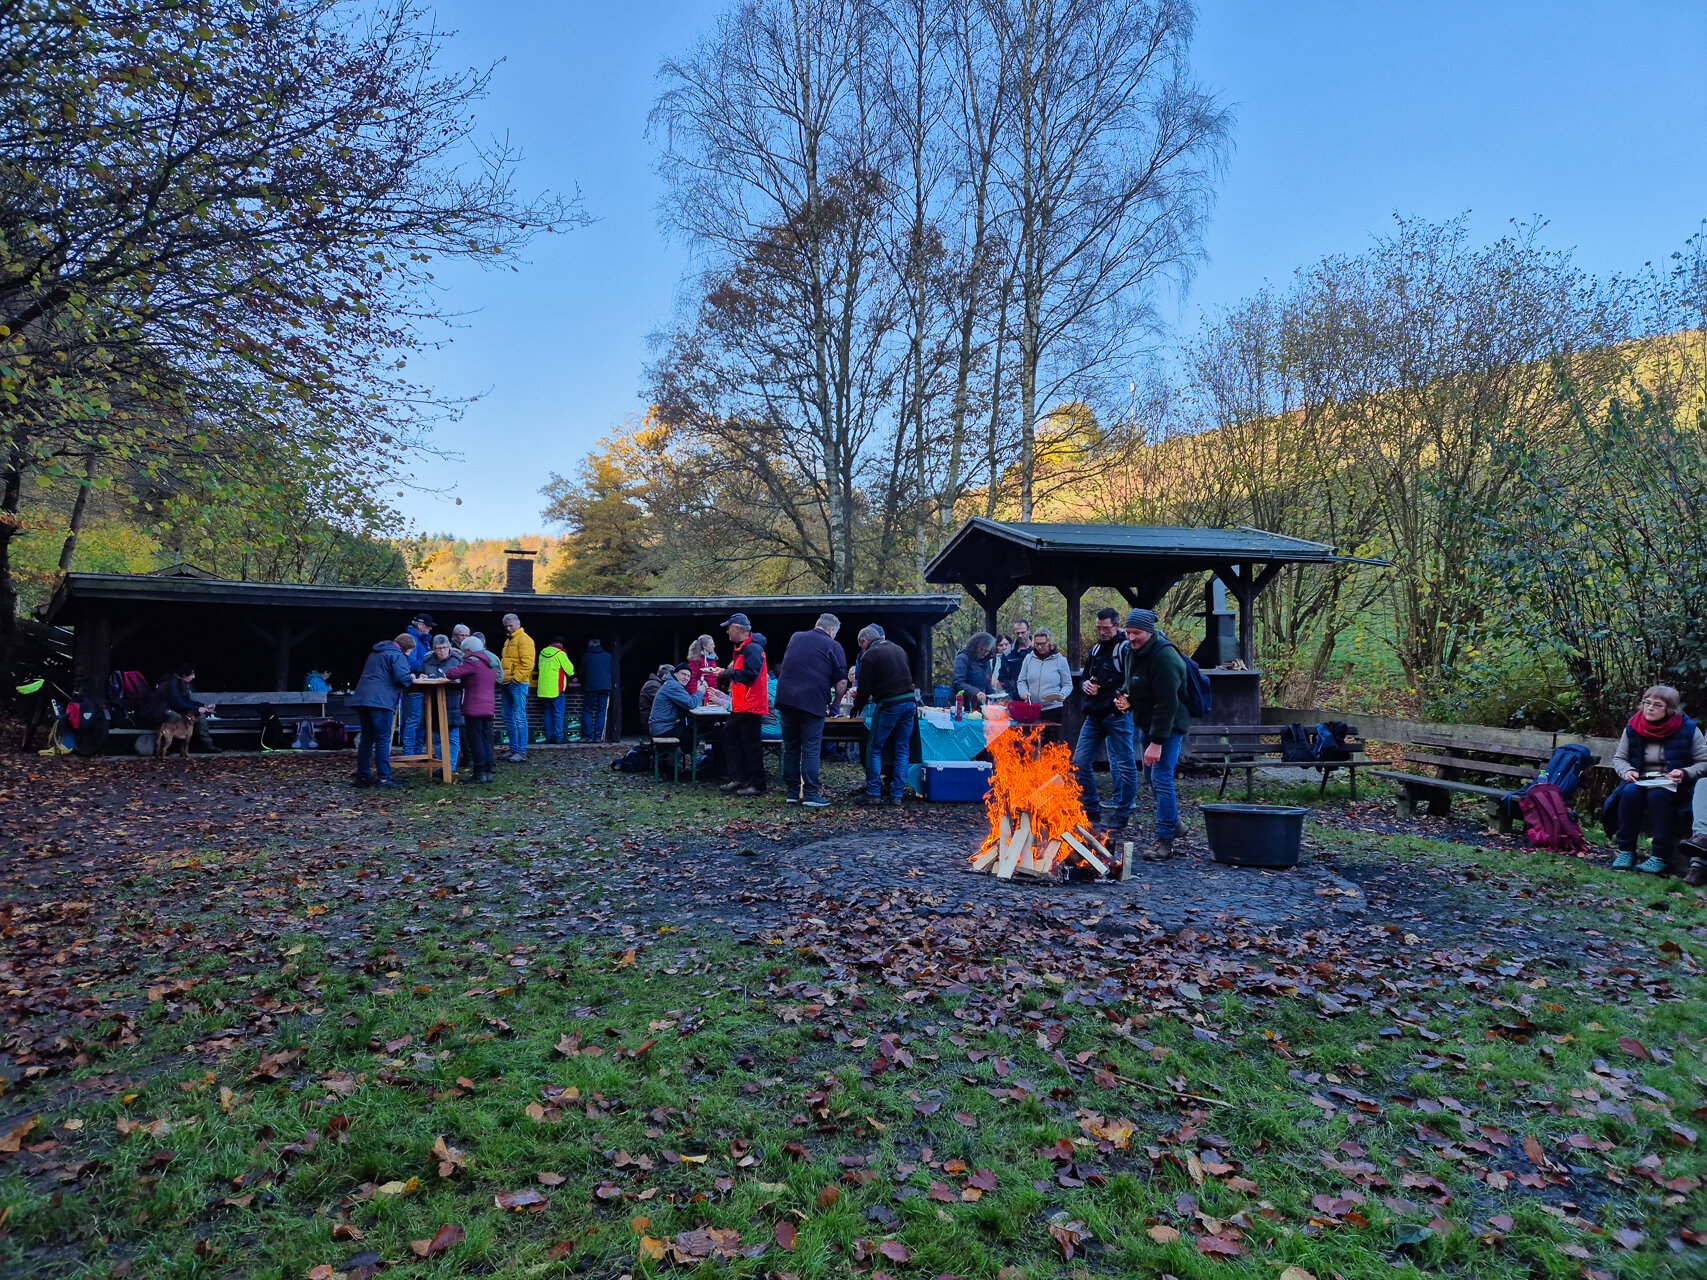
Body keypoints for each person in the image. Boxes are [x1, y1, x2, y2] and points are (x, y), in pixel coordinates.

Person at [1113, 608, 1191, 860]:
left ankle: (1165, 840)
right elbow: (1131, 683)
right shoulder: (1130, 651)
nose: (1132, 637)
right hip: (1146, 724)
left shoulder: (1166, 658)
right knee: (1150, 776)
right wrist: (1124, 697)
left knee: (1161, 777)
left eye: (1137, 633)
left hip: (1168, 726)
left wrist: (1157, 743)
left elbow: (1167, 704)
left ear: (1150, 632)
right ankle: (1174, 822)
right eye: (1129, 632)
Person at [1610, 686, 1707, 874]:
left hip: (1674, 784)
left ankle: (1660, 855)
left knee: (1658, 796)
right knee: (1629, 793)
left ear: (1670, 709)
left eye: (1657, 705)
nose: (1649, 708)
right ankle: (1626, 851)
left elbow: (1703, 762)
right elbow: (1619, 758)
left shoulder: (1688, 729)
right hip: (1640, 780)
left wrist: (1684, 772)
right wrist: (1627, 771)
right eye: (1647, 703)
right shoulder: (1633, 727)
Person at [1074, 608, 1139, 832]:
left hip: (1116, 715)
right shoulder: (1096, 649)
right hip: (1093, 715)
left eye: (1106, 628)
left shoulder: (1125, 649)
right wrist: (1085, 686)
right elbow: (1084, 677)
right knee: (1079, 762)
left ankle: (1122, 814)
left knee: (1125, 765)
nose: (1102, 631)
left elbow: (1133, 680)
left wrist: (1119, 702)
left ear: (1117, 625)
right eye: (1098, 628)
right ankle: (1091, 811)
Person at [775, 612, 846, 807]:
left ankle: (791, 793)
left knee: (791, 748)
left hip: (786, 699)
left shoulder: (796, 637)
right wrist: (835, 705)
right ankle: (811, 794)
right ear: (832, 630)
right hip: (812, 702)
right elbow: (841, 682)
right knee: (811, 749)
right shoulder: (833, 645)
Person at [852, 624, 916, 807]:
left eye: (861, 645)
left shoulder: (869, 655)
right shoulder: (899, 649)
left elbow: (864, 688)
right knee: (902, 748)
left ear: (865, 641)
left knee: (875, 748)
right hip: (910, 703)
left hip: (890, 705)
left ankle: (873, 792)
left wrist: (857, 706)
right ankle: (897, 794)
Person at [707, 612, 769, 796]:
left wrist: (726, 673)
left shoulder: (753, 649)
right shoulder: (743, 648)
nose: (727, 631)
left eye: (729, 628)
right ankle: (739, 778)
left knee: (751, 744)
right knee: (730, 736)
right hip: (742, 704)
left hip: (752, 704)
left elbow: (751, 674)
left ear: (739, 629)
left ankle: (757, 784)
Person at [350, 636, 414, 788]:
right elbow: (402, 678)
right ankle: (384, 778)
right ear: (407, 648)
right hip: (381, 701)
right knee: (383, 740)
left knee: (367, 739)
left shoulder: (376, 653)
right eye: (411, 651)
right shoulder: (398, 655)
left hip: (363, 699)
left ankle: (363, 776)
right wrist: (411, 677)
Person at [446, 635, 501, 783]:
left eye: (464, 652)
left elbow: (451, 673)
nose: (463, 655)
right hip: (489, 705)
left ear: (469, 651)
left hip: (474, 706)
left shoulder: (472, 662)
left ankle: (479, 773)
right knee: (486, 740)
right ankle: (488, 772)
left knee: (475, 740)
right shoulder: (491, 662)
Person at [140, 662, 218, 752]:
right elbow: (177, 702)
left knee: (200, 716)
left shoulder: (182, 683)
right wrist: (197, 709)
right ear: (184, 674)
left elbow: (186, 700)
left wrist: (203, 706)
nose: (194, 677)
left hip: (172, 708)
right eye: (192, 674)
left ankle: (207, 745)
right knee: (175, 717)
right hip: (158, 710)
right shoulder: (171, 683)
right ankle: (166, 747)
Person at [418, 635, 465, 774]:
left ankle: (450, 766)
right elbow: (419, 673)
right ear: (434, 649)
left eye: (444, 648)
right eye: (439, 648)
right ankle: (440, 764)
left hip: (453, 701)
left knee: (453, 736)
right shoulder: (427, 661)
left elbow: (466, 679)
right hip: (433, 702)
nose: (442, 651)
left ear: (449, 647)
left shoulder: (457, 660)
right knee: (437, 737)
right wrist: (422, 676)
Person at [1017, 627, 1072, 744]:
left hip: (1053, 709)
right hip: (1031, 709)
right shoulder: (1028, 659)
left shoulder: (1060, 660)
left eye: (1043, 644)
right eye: (1037, 644)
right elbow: (1021, 681)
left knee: (1050, 743)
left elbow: (1068, 684)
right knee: (1030, 743)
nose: (1040, 647)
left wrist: (1062, 694)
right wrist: (1023, 693)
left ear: (1050, 643)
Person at [500, 613, 536, 762]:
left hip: (517, 683)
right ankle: (514, 749)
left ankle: (521, 752)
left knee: (519, 717)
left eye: (511, 625)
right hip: (508, 682)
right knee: (508, 717)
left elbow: (528, 663)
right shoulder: (510, 640)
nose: (508, 628)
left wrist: (516, 679)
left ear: (518, 624)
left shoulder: (524, 640)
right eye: (506, 626)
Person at [399, 612, 434, 756]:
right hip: (414, 686)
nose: (430, 629)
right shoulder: (412, 640)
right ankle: (409, 753)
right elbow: (410, 663)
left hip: (423, 685)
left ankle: (418, 752)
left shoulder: (424, 640)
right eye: (428, 626)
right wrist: (429, 661)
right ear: (420, 626)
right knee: (414, 718)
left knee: (423, 719)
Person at [536, 635, 574, 744]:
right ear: (561, 645)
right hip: (557, 688)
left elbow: (539, 667)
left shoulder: (542, 653)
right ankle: (559, 737)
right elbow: (570, 671)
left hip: (543, 688)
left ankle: (549, 737)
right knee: (558, 713)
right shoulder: (560, 653)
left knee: (547, 713)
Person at [649, 663, 695, 741]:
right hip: (662, 728)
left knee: (689, 727)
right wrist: (700, 692)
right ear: (675, 673)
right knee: (691, 733)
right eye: (683, 674)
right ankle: (686, 752)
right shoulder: (673, 685)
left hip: (661, 725)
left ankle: (684, 752)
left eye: (688, 676)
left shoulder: (672, 683)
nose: (686, 678)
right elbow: (691, 704)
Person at [952, 633, 997, 707]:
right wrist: (976, 692)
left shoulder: (986, 661)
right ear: (975, 647)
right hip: (960, 703)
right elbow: (958, 682)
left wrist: (994, 694)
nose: (985, 653)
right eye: (982, 650)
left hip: (978, 705)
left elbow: (986, 683)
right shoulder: (962, 658)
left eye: (987, 651)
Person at [999, 619, 1031, 694]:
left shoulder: (1038, 651)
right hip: (1016, 697)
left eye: (1023, 632)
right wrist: (1012, 691)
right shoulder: (1008, 654)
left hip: (1037, 696)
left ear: (1029, 630)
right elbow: (1002, 677)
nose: (1020, 635)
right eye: (1017, 633)